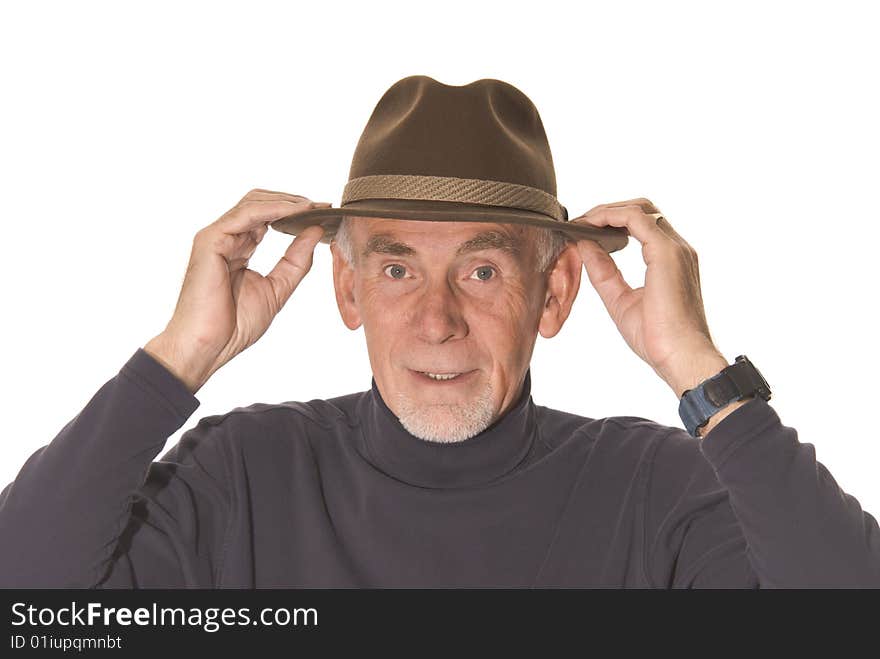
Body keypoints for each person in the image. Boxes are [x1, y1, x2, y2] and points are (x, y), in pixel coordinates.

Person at [1, 76, 878, 588]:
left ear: (554, 294)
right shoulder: (243, 473)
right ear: (346, 289)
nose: (436, 318)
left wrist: (698, 368)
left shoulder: (656, 492)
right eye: (395, 269)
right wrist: (178, 359)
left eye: (483, 270)